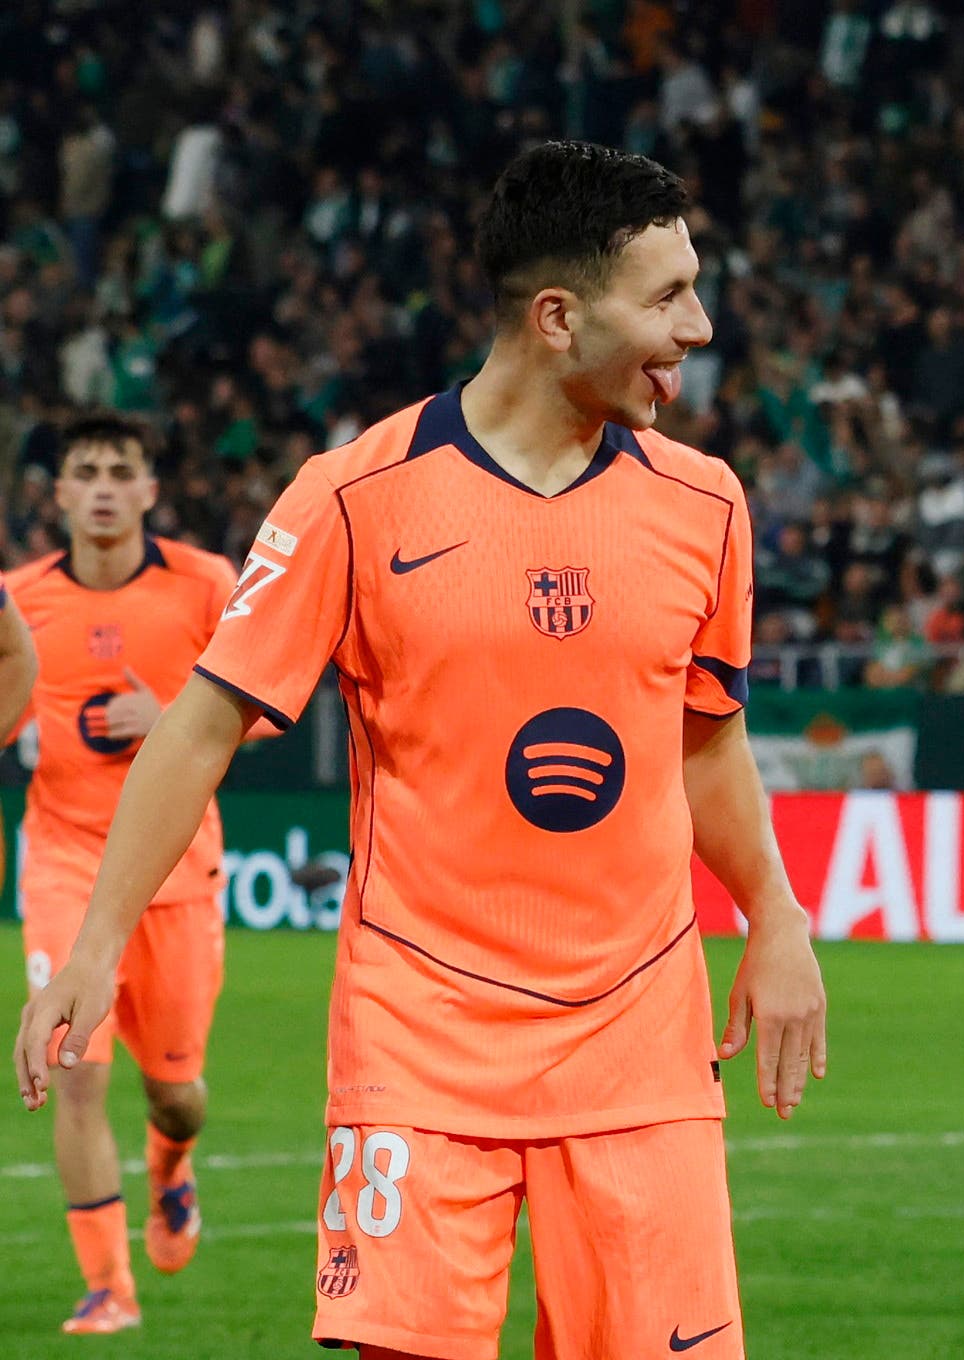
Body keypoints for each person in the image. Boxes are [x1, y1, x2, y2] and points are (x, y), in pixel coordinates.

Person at [16, 142, 827, 1360]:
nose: (701, 328)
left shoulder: (705, 503)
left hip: (639, 1043)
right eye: (668, 297)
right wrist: (95, 944)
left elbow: (705, 738)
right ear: (557, 317)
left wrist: (774, 910)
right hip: (421, 1038)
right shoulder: (356, 496)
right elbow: (199, 727)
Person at [7, 414, 248, 1334]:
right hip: (64, 861)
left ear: (149, 490)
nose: (103, 486)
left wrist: (176, 717)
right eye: (84, 472)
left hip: (178, 869)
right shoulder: (18, 600)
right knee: (74, 1071)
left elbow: (276, 703)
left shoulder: (205, 584)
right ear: (59, 493)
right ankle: (110, 1287)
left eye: (121, 471)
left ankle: (171, 1162)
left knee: (176, 1092)